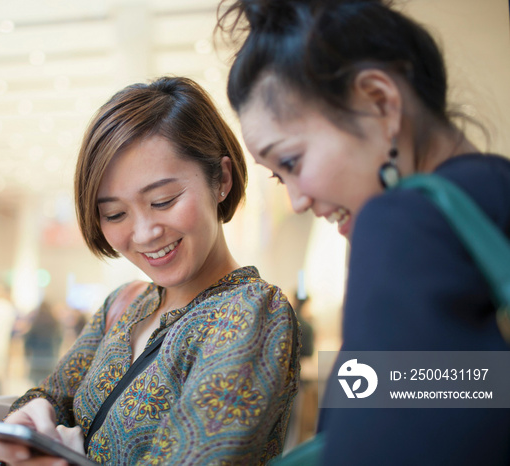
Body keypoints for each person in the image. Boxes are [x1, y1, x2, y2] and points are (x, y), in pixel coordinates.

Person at [217, 0, 510, 464]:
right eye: (278, 176)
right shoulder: (493, 196)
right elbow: (471, 391)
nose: (297, 200)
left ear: (380, 101)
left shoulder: (405, 223)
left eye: (291, 162)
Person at [0, 76, 300, 465]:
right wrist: (30, 416)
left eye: (163, 201)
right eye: (115, 214)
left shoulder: (251, 312)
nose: (145, 233)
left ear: (221, 179)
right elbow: (54, 395)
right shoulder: (126, 303)